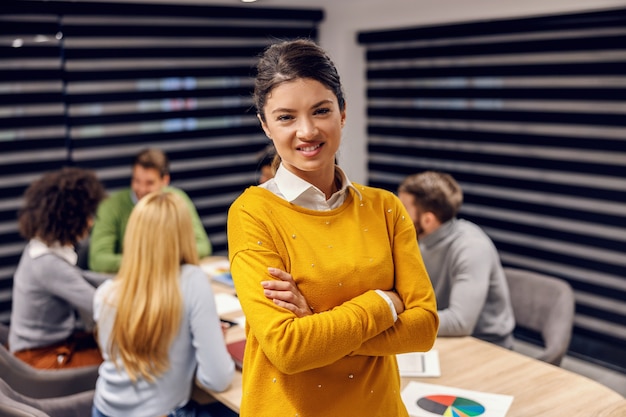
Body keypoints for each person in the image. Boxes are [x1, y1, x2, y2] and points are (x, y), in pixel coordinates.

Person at [227, 38, 438, 416]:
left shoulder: (386, 208)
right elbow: (288, 350)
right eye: (286, 117)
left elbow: (423, 329)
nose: (306, 131)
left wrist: (316, 324)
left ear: (342, 112)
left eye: (320, 110)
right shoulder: (252, 213)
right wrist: (383, 302)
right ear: (265, 126)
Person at [92, 191, 235, 417]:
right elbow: (217, 380)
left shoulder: (105, 294)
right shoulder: (192, 281)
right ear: (183, 234)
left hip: (103, 410)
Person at [398, 170, 515, 348]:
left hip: (485, 345)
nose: (397, 215)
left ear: (428, 220)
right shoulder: (419, 240)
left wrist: (393, 323)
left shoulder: (471, 247)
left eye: (403, 209)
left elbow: (460, 322)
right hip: (443, 336)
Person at [9, 167, 108, 369]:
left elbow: (80, 277)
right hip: (39, 359)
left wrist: (127, 280)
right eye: (87, 216)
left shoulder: (39, 249)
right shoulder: (48, 265)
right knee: (125, 361)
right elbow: (101, 306)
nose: (91, 222)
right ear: (70, 219)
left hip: (39, 348)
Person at [89, 148, 211, 273]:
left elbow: (202, 245)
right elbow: (98, 260)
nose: (141, 189)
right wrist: (148, 261)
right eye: (137, 181)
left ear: (165, 181)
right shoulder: (111, 206)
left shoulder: (176, 202)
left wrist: (166, 258)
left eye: (149, 183)